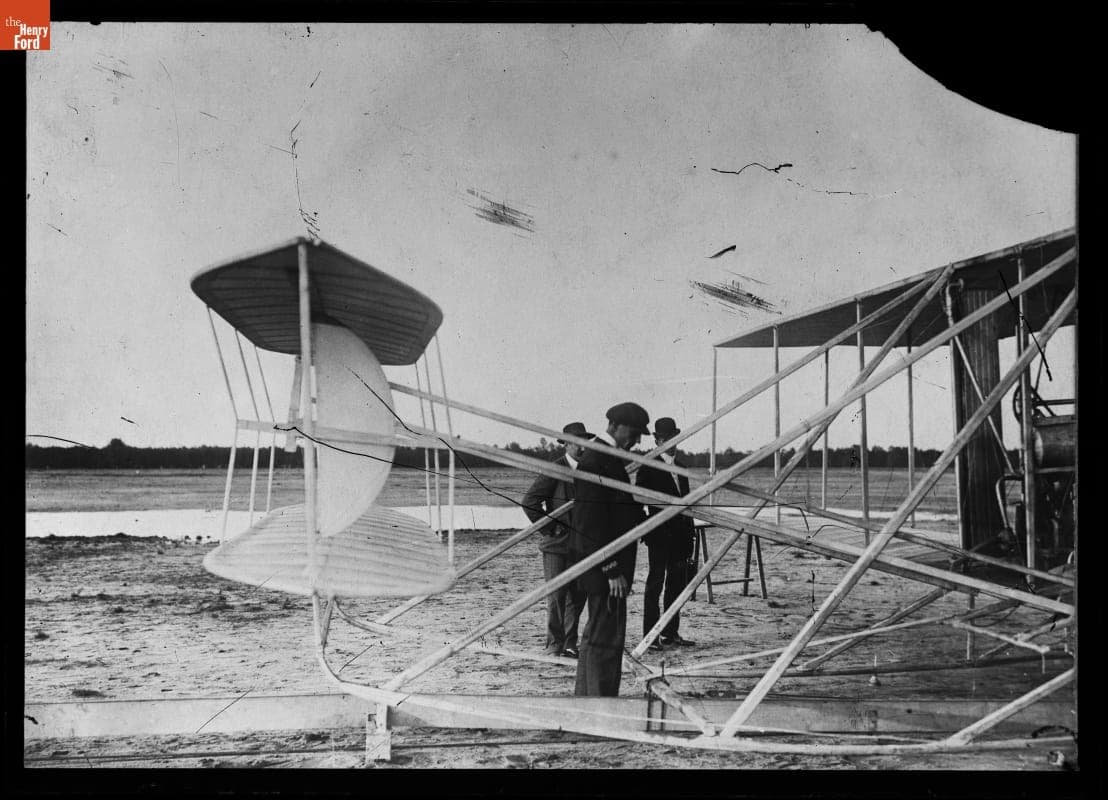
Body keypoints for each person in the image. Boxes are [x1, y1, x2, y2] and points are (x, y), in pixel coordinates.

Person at [571, 402, 650, 696]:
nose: (637, 440)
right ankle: (599, 702)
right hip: (606, 568)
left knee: (601, 634)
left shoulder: (609, 459)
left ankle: (589, 697)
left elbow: (617, 511)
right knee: (605, 637)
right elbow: (588, 525)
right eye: (634, 432)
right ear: (615, 426)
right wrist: (611, 569)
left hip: (608, 565)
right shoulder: (596, 461)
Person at [521, 422, 591, 658]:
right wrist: (551, 528)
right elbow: (530, 502)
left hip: (582, 545)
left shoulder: (589, 471)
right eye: (577, 443)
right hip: (556, 547)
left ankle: (570, 643)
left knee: (578, 594)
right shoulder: (555, 469)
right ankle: (554, 644)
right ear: (566, 444)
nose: (582, 448)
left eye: (585, 443)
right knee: (557, 595)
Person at [635, 417, 697, 650]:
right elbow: (637, 499)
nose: (673, 442)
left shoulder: (681, 467)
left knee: (676, 585)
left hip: (681, 537)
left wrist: (690, 533)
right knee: (655, 585)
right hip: (660, 537)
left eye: (675, 437)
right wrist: (649, 527)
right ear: (658, 439)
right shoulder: (648, 465)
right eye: (667, 438)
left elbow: (687, 502)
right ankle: (650, 638)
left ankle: (670, 633)